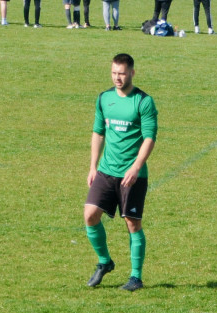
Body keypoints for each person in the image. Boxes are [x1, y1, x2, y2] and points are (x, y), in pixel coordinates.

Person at [84, 53, 158, 292]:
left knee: (132, 223)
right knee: (90, 216)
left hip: (132, 175)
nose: (117, 77)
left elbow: (149, 138)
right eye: (114, 72)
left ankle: (136, 277)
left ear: (132, 73)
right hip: (106, 171)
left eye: (122, 73)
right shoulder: (104, 98)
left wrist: (136, 167)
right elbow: (98, 132)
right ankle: (105, 262)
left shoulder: (144, 102)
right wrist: (93, 166)